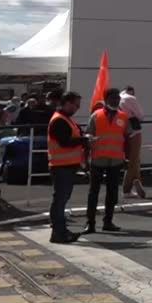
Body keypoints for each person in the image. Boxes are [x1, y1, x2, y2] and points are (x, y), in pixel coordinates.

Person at [84, 88, 131, 234]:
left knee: (112, 192)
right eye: (112, 99)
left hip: (116, 160)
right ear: (106, 100)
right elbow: (87, 136)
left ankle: (108, 221)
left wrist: (128, 157)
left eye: (117, 99)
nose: (116, 101)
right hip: (98, 159)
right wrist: (85, 159)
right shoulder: (96, 116)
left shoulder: (123, 117)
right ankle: (90, 223)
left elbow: (127, 139)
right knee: (93, 192)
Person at [47, 91, 87, 244]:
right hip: (61, 166)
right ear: (67, 103)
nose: (77, 108)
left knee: (61, 199)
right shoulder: (60, 120)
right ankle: (59, 232)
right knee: (60, 200)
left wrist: (82, 139)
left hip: (66, 165)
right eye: (75, 105)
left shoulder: (66, 119)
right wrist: (82, 140)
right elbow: (65, 142)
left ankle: (60, 231)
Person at [118, 85, 146, 198]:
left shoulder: (118, 98)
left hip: (122, 130)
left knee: (130, 158)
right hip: (134, 130)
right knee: (134, 159)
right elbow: (140, 116)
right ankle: (127, 188)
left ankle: (136, 180)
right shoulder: (130, 99)